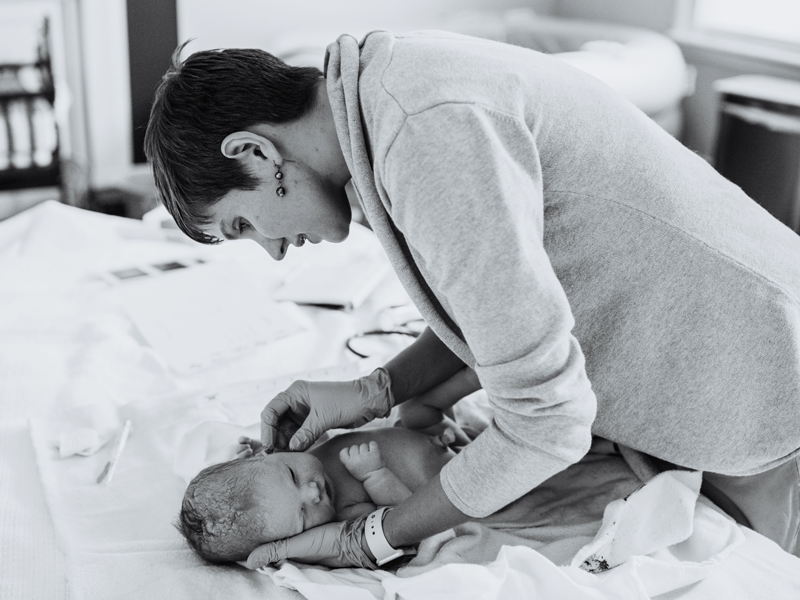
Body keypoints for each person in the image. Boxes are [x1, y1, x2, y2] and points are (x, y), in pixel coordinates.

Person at [145, 30, 800, 568]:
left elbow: (548, 422)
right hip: (704, 372)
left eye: (242, 225)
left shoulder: (425, 139)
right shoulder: (383, 106)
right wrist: (378, 390)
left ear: (255, 153)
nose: (271, 250)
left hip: (762, 387)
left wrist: (372, 535)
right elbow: (495, 311)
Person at [178, 426, 459, 564]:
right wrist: (375, 474)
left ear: (266, 456)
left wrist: (267, 442)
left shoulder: (291, 455)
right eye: (302, 514)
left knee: (432, 394)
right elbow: (400, 514)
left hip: (420, 425)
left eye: (292, 475)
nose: (313, 491)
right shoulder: (342, 514)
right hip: (444, 472)